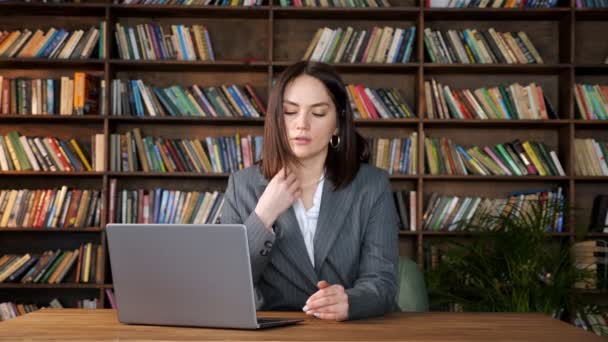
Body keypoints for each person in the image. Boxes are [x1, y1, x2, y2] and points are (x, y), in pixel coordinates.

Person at [220, 61, 399, 321]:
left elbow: (382, 282)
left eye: (318, 113)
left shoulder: (372, 185)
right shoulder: (242, 187)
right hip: (274, 333)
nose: (301, 124)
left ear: (337, 124)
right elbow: (226, 284)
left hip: (351, 332)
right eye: (290, 112)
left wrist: (351, 301)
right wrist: (262, 217)